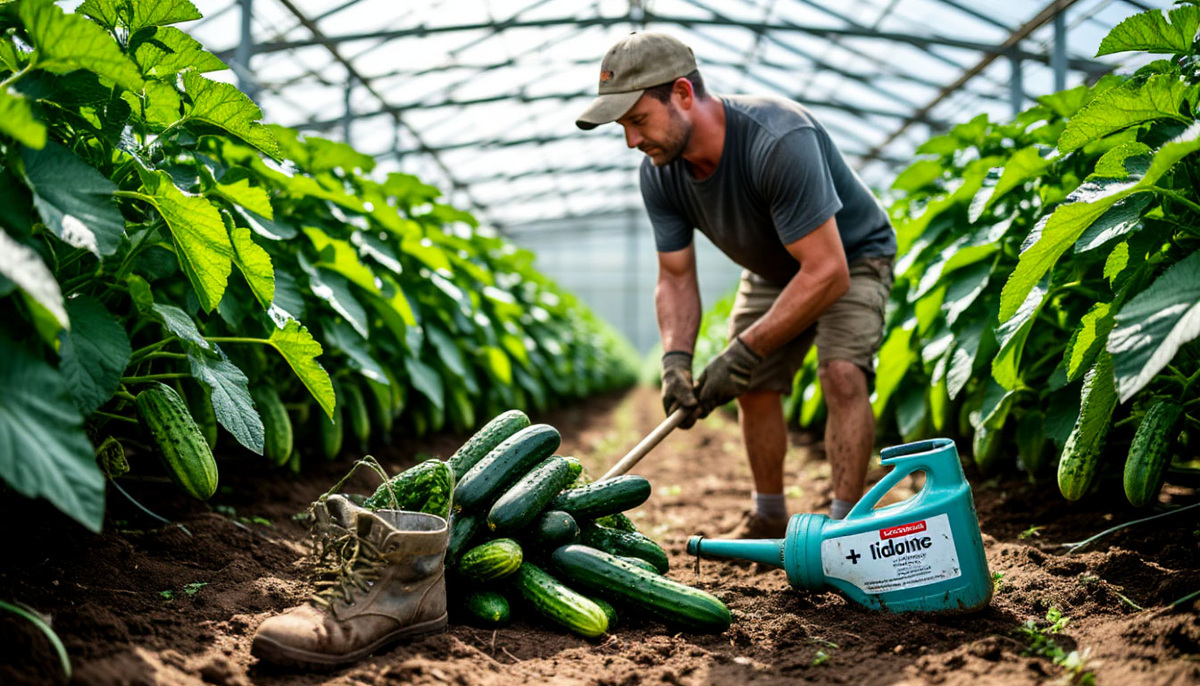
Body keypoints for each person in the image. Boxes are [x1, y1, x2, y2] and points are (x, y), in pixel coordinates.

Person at [576, 32, 896, 539]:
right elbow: (676, 277)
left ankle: (846, 526)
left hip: (849, 256)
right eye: (622, 127)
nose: (631, 141)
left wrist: (742, 352)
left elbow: (826, 271)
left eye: (637, 120)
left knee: (841, 373)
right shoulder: (660, 172)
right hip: (773, 269)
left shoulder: (778, 139)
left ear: (682, 93)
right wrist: (675, 359)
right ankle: (770, 514)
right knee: (755, 387)